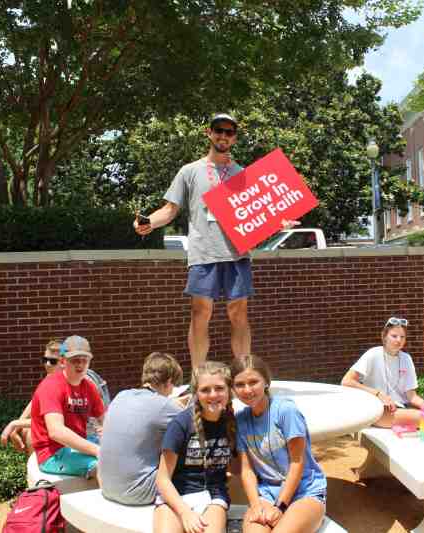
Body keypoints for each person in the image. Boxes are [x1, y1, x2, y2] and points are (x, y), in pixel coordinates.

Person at [134, 113, 297, 369]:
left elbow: (259, 213)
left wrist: (280, 222)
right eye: (218, 130)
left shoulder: (243, 174)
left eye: (229, 132)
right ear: (209, 133)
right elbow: (170, 209)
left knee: (239, 314)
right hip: (203, 253)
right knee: (200, 314)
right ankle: (199, 376)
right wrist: (149, 222)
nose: (223, 136)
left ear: (234, 138)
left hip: (237, 254)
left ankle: (244, 372)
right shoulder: (189, 171)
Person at [232, 355, 327, 533]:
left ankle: (308, 517)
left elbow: (297, 462)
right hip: (267, 492)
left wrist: (281, 507)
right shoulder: (240, 420)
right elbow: (246, 470)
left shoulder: (285, 410)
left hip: (304, 491)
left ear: (266, 382)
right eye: (239, 385)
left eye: (254, 382)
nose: (247, 390)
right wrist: (255, 505)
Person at [341, 317, 424, 445]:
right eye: (394, 336)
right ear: (384, 336)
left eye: (402, 337)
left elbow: (412, 397)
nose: (398, 340)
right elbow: (346, 381)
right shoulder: (373, 354)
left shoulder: (406, 359)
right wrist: (378, 394)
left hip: (400, 410)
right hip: (379, 411)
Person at [154, 361, 238, 533]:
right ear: (196, 393)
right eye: (205, 390)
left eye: (220, 388)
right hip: (176, 496)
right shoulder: (181, 424)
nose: (213, 395)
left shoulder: (233, 423)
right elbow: (162, 479)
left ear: (230, 390)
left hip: (213, 497)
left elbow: (238, 467)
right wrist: (185, 513)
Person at [99, 352, 185, 505]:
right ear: (169, 381)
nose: (172, 391)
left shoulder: (121, 395)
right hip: (138, 493)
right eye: (173, 386)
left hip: (106, 486)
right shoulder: (165, 406)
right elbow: (194, 425)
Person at [29, 335, 105, 478]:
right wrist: (98, 450)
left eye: (85, 360)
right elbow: (56, 432)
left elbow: (105, 420)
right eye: (75, 360)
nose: (80, 365)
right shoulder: (51, 386)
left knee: (123, 457)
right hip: (52, 453)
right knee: (104, 466)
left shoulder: (88, 387)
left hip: (77, 445)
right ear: (63, 361)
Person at [0, 339, 62, 454]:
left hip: (83, 433)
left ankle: (41, 468)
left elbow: (56, 422)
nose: (47, 364)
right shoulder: (51, 378)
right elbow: (36, 400)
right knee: (25, 430)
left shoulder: (67, 383)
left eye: (53, 361)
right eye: (45, 360)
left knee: (32, 435)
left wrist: (15, 424)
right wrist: (18, 425)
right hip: (63, 429)